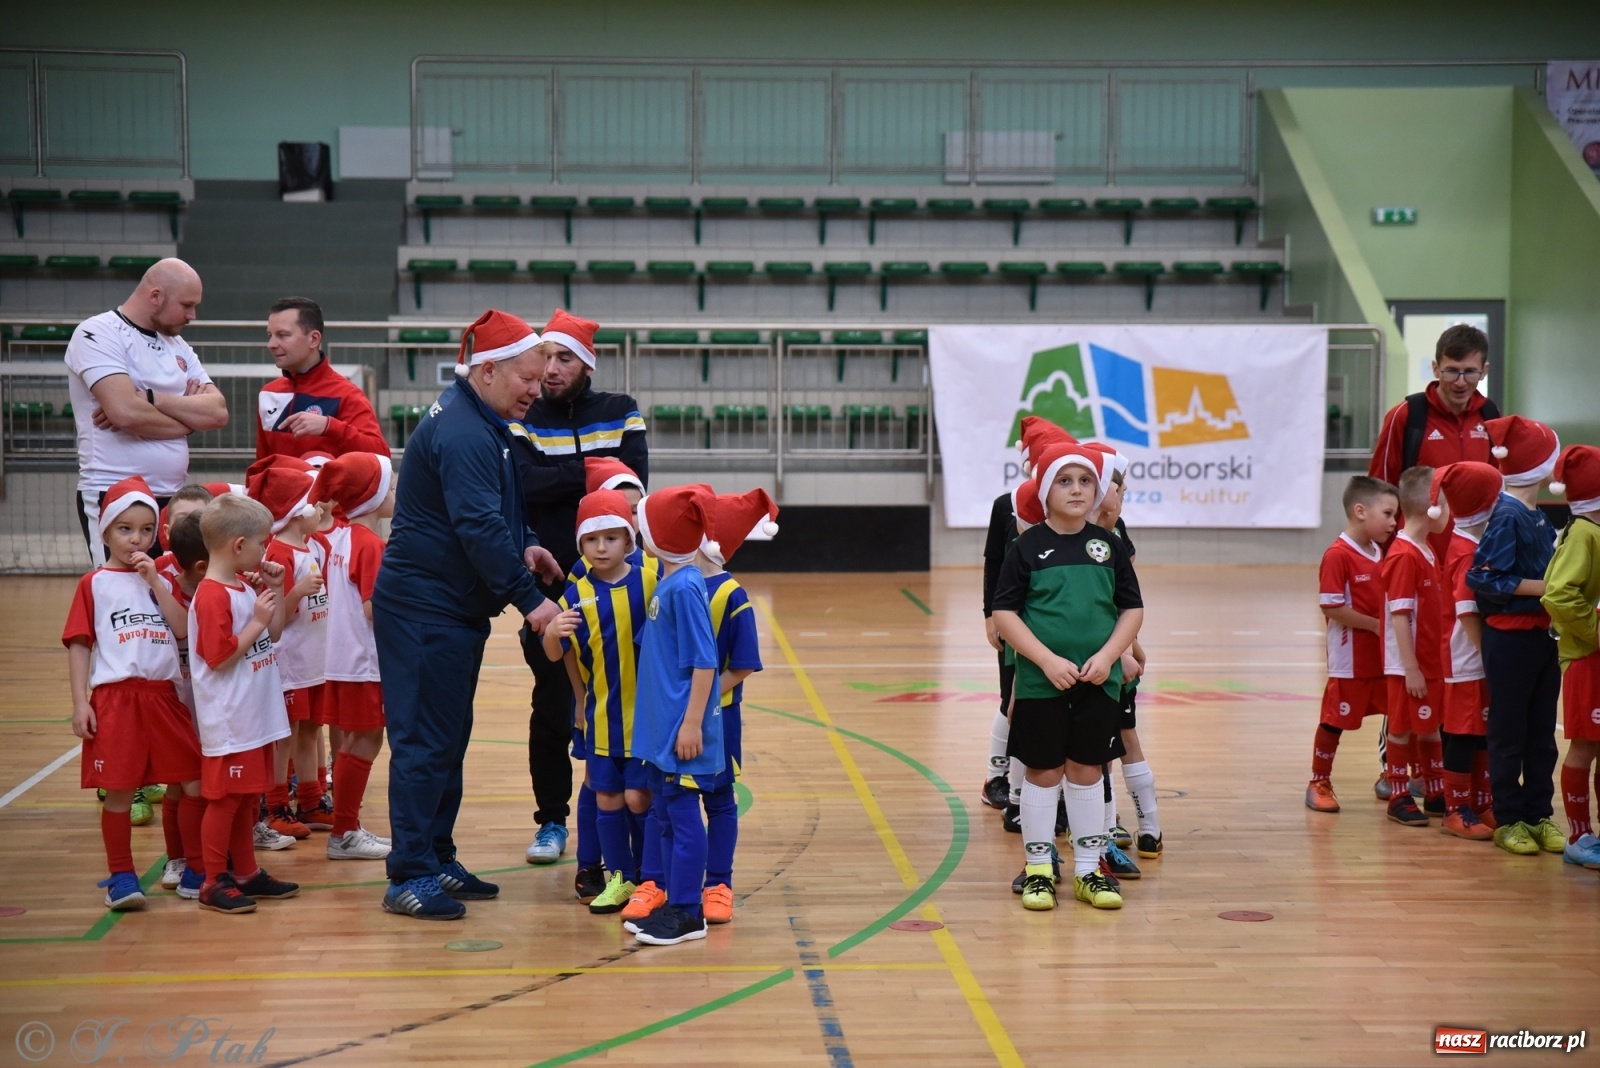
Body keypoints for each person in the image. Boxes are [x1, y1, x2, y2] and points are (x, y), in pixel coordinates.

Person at [372, 309, 562, 921]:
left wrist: (527, 540)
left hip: (448, 609)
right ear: (486, 370)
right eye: (527, 379)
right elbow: (477, 528)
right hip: (426, 609)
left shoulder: (483, 421)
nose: (537, 389)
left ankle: (436, 855)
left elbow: (499, 510)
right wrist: (531, 603)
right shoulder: (463, 430)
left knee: (446, 740)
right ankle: (409, 874)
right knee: (425, 744)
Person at [513, 310, 649, 866]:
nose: (549, 369)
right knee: (551, 706)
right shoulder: (522, 416)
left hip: (618, 591)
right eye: (544, 357)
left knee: (623, 706)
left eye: (563, 357)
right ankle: (552, 820)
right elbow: (523, 482)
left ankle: (632, 821)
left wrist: (563, 474)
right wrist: (596, 470)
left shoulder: (622, 411)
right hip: (548, 591)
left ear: (586, 362)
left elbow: (634, 487)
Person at [991, 442, 1143, 913]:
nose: (1076, 489)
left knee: (1086, 771)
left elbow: (1131, 609)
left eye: (1085, 481)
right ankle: (1039, 869)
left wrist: (1110, 655)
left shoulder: (1110, 548)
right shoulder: (1028, 547)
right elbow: (1005, 613)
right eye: (1064, 480)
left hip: (1099, 682)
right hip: (1043, 684)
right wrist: (1045, 660)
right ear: (1043, 489)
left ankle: (1088, 871)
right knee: (1043, 772)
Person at [1367, 323, 1499, 799]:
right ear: (1435, 367)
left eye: (1469, 372)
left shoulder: (1493, 419)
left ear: (1484, 370)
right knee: (1409, 672)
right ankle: (1395, 767)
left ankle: (1442, 771)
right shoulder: (1409, 415)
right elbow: (1381, 486)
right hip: (1415, 567)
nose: (1460, 382)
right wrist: (1386, 560)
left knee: (1455, 672)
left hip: (1467, 572)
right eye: (1451, 371)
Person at [63, 476, 205, 910]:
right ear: (104, 530)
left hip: (165, 696)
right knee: (121, 791)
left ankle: (195, 867)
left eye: (146, 529)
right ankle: (123, 877)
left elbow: (182, 628)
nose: (136, 538)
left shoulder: (160, 577)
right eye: (125, 529)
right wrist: (79, 702)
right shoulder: (94, 583)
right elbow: (80, 643)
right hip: (116, 698)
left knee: (195, 783)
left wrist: (157, 584)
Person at [64, 259, 228, 566]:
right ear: (155, 296)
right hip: (116, 495)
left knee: (172, 598)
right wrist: (189, 419)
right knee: (124, 599)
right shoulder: (98, 332)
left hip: (175, 500)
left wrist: (152, 399)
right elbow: (126, 412)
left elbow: (218, 412)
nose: (192, 315)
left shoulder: (178, 345)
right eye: (187, 305)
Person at [542, 490, 659, 915]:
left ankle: (653, 877)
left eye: (612, 538)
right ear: (581, 547)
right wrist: (552, 633)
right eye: (592, 540)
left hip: (645, 717)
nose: (602, 547)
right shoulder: (574, 596)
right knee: (607, 800)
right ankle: (620, 879)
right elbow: (560, 655)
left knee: (639, 799)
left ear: (629, 540)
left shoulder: (651, 582)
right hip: (602, 716)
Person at [188, 493, 300, 915]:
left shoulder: (238, 586)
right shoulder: (213, 594)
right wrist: (254, 619)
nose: (264, 551)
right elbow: (218, 656)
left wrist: (274, 589)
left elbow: (272, 634)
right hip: (230, 719)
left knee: (248, 797)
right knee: (226, 800)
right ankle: (213, 880)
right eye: (260, 543)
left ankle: (247, 872)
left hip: (253, 714)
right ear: (238, 546)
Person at [626, 484, 724, 946]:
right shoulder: (667, 582)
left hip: (682, 731)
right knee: (664, 816)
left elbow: (705, 662)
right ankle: (673, 900)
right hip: (662, 731)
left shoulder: (685, 587)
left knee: (684, 818)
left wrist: (691, 723)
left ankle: (689, 912)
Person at [1468, 415, 1565, 856]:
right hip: (1510, 641)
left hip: (1544, 639)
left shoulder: (1539, 517)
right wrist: (1547, 588)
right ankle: (1508, 818)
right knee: (1509, 732)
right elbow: (1484, 578)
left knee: (1542, 732)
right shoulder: (1506, 516)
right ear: (1540, 466)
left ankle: (1538, 813)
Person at [692, 489, 776, 925]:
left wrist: (702, 700)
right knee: (671, 801)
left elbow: (743, 664)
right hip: (675, 715)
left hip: (719, 717)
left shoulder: (731, 595)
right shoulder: (667, 584)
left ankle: (718, 883)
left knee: (720, 798)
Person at [311, 453, 396, 861]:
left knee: (355, 743)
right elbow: (373, 609)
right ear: (372, 497)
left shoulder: (342, 538)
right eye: (389, 487)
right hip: (366, 661)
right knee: (365, 741)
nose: (395, 493)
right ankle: (344, 831)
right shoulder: (370, 544)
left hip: (344, 658)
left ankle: (346, 828)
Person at [247, 460, 331, 845]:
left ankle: (312, 799)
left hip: (315, 660)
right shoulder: (279, 553)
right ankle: (277, 804)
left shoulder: (313, 546)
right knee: (288, 735)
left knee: (313, 727)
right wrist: (297, 591)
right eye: (314, 504)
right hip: (290, 662)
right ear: (298, 512)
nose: (321, 509)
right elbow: (276, 617)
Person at [1305, 476, 1399, 813]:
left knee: (1398, 716)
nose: (1393, 522)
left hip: (1384, 657)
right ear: (1360, 511)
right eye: (1387, 514)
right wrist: (1376, 625)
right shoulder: (1338, 554)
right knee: (1335, 720)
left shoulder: (1382, 551)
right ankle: (1319, 780)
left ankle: (1393, 776)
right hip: (1351, 658)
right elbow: (1331, 605)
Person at [1430, 463, 1502, 840]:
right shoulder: (1465, 552)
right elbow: (1465, 610)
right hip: (1467, 660)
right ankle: (1455, 810)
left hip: (1477, 658)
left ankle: (1480, 801)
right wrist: (1489, 655)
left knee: (1480, 733)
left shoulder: (1474, 542)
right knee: (1461, 733)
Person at [1540, 445, 1600, 868]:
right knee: (1584, 746)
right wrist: (1595, 632)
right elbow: (1557, 594)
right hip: (1586, 659)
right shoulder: (1582, 534)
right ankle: (1580, 837)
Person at [1380, 467, 1450, 828]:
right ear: (1433, 506)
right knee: (1402, 727)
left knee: (1429, 726)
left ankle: (1436, 791)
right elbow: (1399, 617)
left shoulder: (1425, 549)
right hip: (1409, 665)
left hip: (1428, 661)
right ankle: (1398, 794)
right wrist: (1410, 668)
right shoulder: (1404, 555)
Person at [257, 296, 391, 462]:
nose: (271, 344)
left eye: (282, 335)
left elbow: (381, 455)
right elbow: (262, 462)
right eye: (270, 335)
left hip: (327, 488)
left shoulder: (346, 395)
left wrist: (330, 427)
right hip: (277, 488)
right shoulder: (268, 393)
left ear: (313, 339)